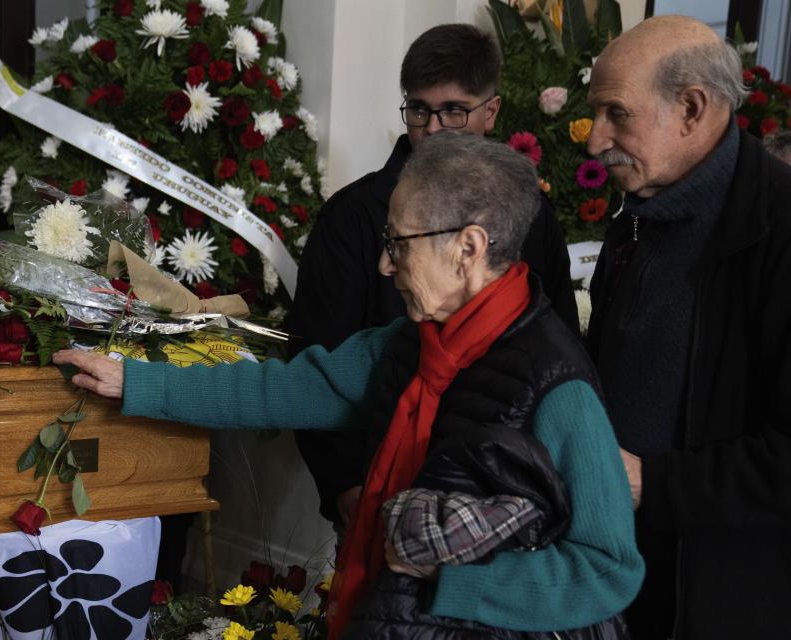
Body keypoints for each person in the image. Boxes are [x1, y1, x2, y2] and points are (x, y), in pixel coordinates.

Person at [54, 134, 642, 639]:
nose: (385, 267)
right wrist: (136, 381)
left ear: (468, 248)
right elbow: (276, 391)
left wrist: (450, 579)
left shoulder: (558, 386)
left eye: (398, 244)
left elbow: (607, 569)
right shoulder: (405, 345)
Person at [285, 23, 579, 535]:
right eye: (419, 110)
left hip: (503, 491)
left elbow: (560, 342)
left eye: (454, 112)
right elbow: (314, 356)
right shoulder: (353, 217)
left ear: (491, 112)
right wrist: (345, 483)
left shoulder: (532, 213)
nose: (434, 128)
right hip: (383, 478)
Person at [585, 15, 791, 639]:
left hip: (718, 596)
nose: (595, 141)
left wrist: (650, 483)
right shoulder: (644, 210)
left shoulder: (779, 229)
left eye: (616, 113)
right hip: (614, 568)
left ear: (692, 109)